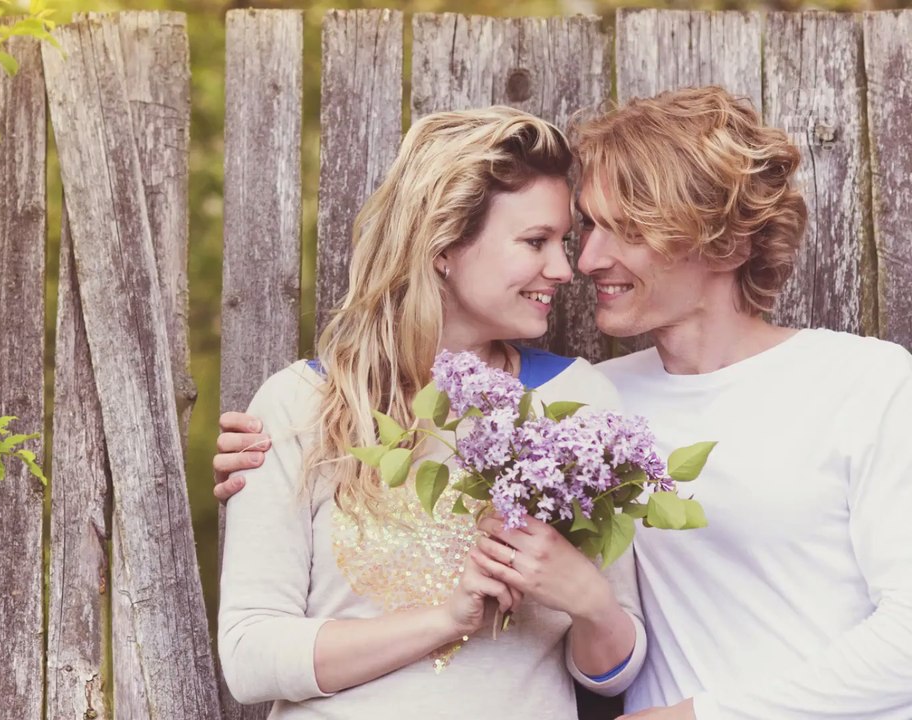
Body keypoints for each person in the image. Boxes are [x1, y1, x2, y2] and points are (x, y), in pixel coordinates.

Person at [214, 87, 912, 720]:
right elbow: (251, 646)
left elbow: (903, 642)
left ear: (723, 243)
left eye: (620, 230)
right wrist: (275, 446)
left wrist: (673, 696)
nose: (579, 264)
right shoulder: (585, 404)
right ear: (441, 246)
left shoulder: (856, 384)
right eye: (559, 237)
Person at [217, 106, 647, 719]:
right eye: (535, 242)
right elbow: (249, 656)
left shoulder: (578, 403)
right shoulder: (302, 405)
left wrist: (590, 600)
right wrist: (446, 619)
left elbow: (611, 675)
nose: (562, 269)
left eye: (564, 243)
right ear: (444, 246)